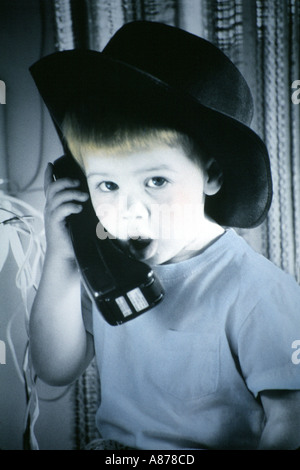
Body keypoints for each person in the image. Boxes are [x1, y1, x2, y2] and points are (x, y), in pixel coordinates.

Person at [29, 21, 300, 450]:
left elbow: (290, 423)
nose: (130, 210)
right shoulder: (107, 269)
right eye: (107, 185)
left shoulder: (259, 292)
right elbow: (54, 368)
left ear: (211, 174)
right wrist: (62, 259)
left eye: (155, 180)